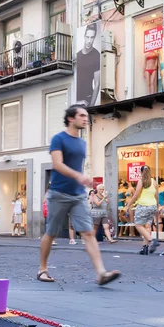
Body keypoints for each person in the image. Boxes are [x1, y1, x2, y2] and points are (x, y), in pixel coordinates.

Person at [38, 105, 120, 285]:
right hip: (58, 193)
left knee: (88, 233)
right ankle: (42, 269)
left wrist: (84, 180)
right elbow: (58, 165)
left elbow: (76, 166)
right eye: (81, 115)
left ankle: (101, 273)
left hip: (78, 195)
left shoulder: (82, 143)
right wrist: (79, 176)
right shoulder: (58, 139)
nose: (85, 118)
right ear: (70, 119)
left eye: (86, 115)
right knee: (51, 232)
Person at [125, 165, 160, 255]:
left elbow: (136, 195)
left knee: (138, 225)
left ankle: (152, 240)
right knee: (147, 226)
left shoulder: (141, 181)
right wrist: (157, 206)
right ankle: (145, 248)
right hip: (152, 206)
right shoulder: (154, 182)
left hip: (143, 206)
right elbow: (156, 195)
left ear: (140, 172)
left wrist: (128, 205)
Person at [76, 23, 101, 106]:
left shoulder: (96, 55)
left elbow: (97, 83)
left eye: (92, 37)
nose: (89, 41)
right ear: (84, 36)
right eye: (87, 37)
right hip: (76, 99)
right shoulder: (77, 55)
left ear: (94, 38)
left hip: (87, 99)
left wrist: (91, 106)